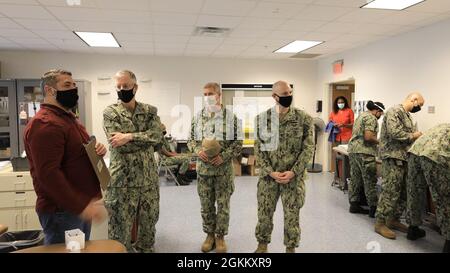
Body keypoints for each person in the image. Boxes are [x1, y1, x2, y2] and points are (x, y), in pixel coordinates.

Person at [24, 69, 107, 245]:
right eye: (67, 85)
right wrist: (80, 205)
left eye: (74, 85)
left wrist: (96, 148)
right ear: (49, 90)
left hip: (76, 207)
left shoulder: (68, 119)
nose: (73, 89)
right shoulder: (46, 124)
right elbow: (49, 175)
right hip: (62, 211)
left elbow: (77, 152)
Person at [103, 70, 163, 253]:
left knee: (148, 226)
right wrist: (143, 140)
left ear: (135, 87)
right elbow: (118, 144)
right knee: (119, 231)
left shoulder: (150, 111)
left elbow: (157, 136)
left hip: (148, 181)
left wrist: (128, 136)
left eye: (126, 86)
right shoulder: (110, 112)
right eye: (119, 86)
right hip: (123, 181)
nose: (122, 90)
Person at [254, 81, 314, 253]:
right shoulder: (262, 119)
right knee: (264, 214)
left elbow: (308, 148)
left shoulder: (304, 119)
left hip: (293, 179)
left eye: (290, 92)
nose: (288, 96)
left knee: (292, 216)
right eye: (285, 94)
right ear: (274, 96)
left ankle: (290, 248)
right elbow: (259, 150)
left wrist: (294, 172)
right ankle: (262, 245)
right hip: (268, 179)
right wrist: (270, 172)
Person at [188, 82, 242, 253]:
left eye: (211, 93)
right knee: (206, 205)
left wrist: (223, 156)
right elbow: (191, 140)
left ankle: (220, 237)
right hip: (204, 171)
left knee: (223, 205)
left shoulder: (231, 118)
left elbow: (238, 143)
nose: (207, 97)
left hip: (223, 171)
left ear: (219, 95)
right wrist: (197, 151)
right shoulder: (198, 117)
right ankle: (209, 235)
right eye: (204, 94)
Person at [375, 93, 424, 240]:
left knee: (403, 191)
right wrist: (414, 135)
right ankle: (380, 222)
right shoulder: (394, 111)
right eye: (419, 105)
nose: (419, 108)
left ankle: (393, 219)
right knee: (390, 190)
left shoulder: (408, 116)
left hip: (404, 158)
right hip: (393, 157)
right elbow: (394, 132)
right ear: (413, 99)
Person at [406, 123, 450, 253]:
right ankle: (448, 242)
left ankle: (412, 229)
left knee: (414, 191)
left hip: (415, 151)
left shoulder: (444, 125)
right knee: (444, 197)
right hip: (434, 154)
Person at [348, 101, 385, 218]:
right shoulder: (371, 118)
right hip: (365, 152)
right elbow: (368, 137)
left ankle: (354, 205)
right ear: (376, 111)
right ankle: (373, 209)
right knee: (370, 180)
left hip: (354, 151)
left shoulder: (361, 116)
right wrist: (381, 142)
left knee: (355, 178)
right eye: (381, 114)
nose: (380, 116)